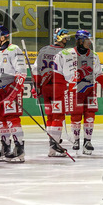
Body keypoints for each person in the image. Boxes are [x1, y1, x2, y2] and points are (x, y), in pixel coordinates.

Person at [33, 27, 77, 157]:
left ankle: (52, 145)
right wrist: (72, 87)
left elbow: (36, 70)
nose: (66, 40)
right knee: (58, 116)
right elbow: (70, 74)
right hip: (58, 87)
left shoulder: (43, 50)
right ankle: (54, 146)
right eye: (65, 38)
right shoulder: (66, 53)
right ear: (59, 38)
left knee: (51, 116)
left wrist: (37, 86)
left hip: (45, 87)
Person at [69, 29, 103, 156]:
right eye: (87, 39)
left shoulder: (94, 55)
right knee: (76, 116)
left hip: (90, 90)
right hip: (75, 90)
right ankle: (76, 140)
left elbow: (98, 73)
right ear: (80, 40)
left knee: (90, 115)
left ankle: (87, 141)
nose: (90, 42)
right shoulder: (69, 54)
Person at [0, 25, 27, 163]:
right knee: (1, 120)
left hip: (11, 89)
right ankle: (5, 147)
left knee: (12, 119)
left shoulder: (14, 49)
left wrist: (15, 91)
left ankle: (19, 149)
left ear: (2, 38)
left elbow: (22, 73)